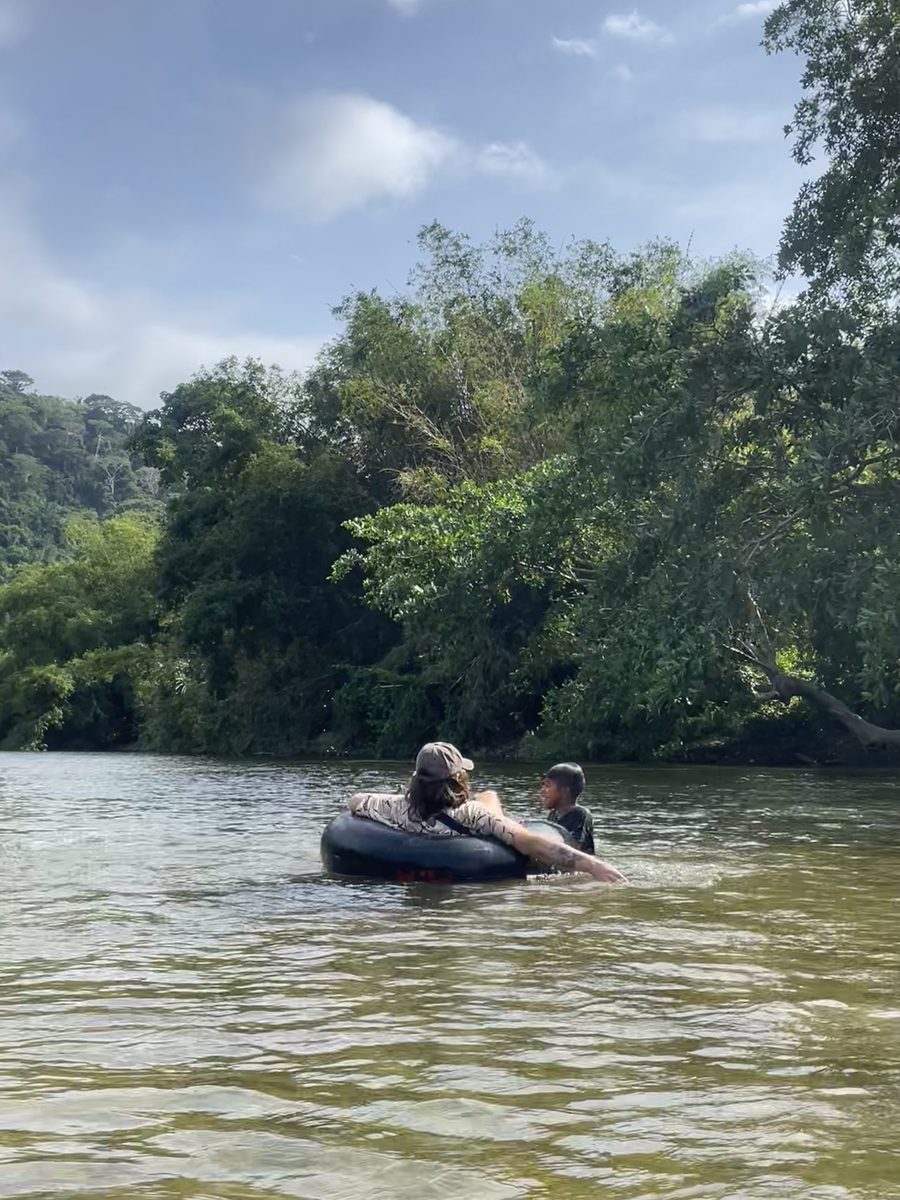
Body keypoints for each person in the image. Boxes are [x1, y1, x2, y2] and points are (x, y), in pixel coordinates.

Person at [348, 741, 626, 884]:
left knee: (488, 800)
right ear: (458, 779)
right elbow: (530, 843)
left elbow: (356, 801)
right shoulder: (472, 814)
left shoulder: (395, 807)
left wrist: (399, 797)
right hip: (474, 849)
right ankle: (494, 806)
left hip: (418, 842)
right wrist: (592, 864)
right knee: (489, 797)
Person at [540, 762, 595, 853]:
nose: (542, 791)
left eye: (547, 786)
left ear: (565, 791)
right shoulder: (553, 815)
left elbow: (574, 848)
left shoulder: (580, 814)